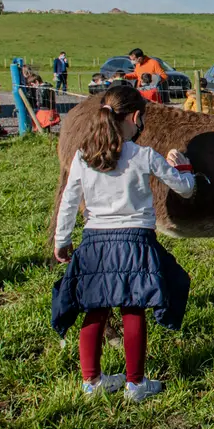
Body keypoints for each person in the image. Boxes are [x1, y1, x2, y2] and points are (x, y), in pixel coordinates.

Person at [51, 86, 196, 402]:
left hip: (95, 243)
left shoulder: (82, 157)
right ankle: (135, 383)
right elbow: (185, 188)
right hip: (135, 242)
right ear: (135, 117)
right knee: (133, 309)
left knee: (94, 310)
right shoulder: (143, 156)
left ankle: (91, 382)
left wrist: (62, 240)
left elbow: (69, 201)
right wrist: (183, 165)